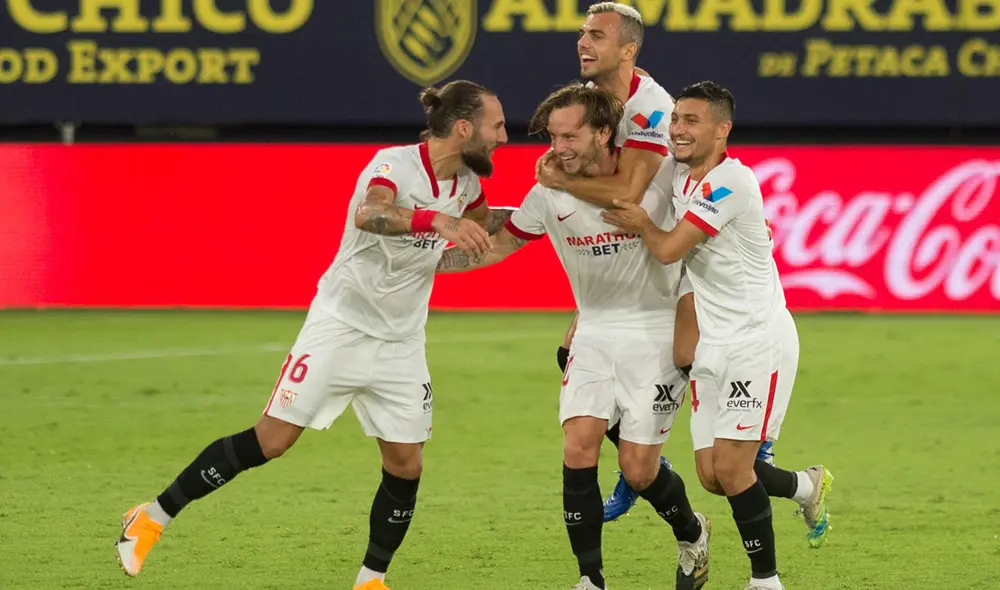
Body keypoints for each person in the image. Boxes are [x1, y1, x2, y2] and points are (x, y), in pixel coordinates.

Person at [114, 80, 510, 590]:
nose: (503, 135)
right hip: (340, 326)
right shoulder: (393, 165)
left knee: (406, 464)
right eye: (496, 125)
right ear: (463, 128)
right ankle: (151, 517)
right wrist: (439, 223)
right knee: (272, 441)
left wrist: (538, 216)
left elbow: (475, 237)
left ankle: (371, 580)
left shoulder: (470, 188)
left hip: (402, 342)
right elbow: (371, 214)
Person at [438, 83, 711, 590]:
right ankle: (590, 579)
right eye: (552, 136)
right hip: (594, 331)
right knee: (579, 447)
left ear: (605, 133)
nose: (557, 147)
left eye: (570, 136)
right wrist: (427, 262)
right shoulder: (545, 192)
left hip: (655, 334)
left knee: (638, 471)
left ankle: (693, 534)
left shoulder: (656, 183)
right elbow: (502, 245)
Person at [601, 80, 834, 590]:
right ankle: (804, 486)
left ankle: (765, 582)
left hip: (757, 342)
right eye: (676, 118)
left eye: (692, 121)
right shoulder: (682, 177)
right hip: (714, 343)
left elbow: (666, 250)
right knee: (712, 474)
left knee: (732, 470)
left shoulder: (730, 183)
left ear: (722, 130)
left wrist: (641, 221)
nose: (678, 129)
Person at [534, 0, 684, 523]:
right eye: (582, 33)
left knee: (696, 360)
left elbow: (628, 191)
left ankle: (760, 449)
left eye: (597, 35)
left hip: (672, 253)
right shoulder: (593, 101)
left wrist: (562, 180)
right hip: (626, 255)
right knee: (568, 353)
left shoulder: (650, 106)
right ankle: (636, 465)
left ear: (628, 49)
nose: (583, 42)